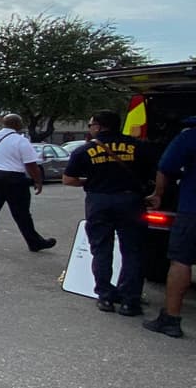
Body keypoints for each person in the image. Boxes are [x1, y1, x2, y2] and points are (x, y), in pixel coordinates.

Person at [63, 111, 152, 315]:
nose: (90, 128)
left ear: (99, 126)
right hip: (131, 201)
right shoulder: (139, 147)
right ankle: (130, 301)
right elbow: (154, 172)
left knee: (101, 249)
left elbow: (68, 179)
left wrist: (91, 181)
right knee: (133, 251)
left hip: (99, 202)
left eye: (90, 125)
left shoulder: (85, 150)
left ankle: (105, 296)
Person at [0, 114, 57, 253]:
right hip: (14, 178)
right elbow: (31, 164)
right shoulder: (21, 141)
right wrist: (38, 181)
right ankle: (34, 243)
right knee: (22, 213)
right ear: (17, 124)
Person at [143, 117, 196, 338]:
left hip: (192, 210)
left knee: (181, 261)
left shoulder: (190, 136)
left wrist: (158, 194)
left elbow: (165, 167)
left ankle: (171, 319)